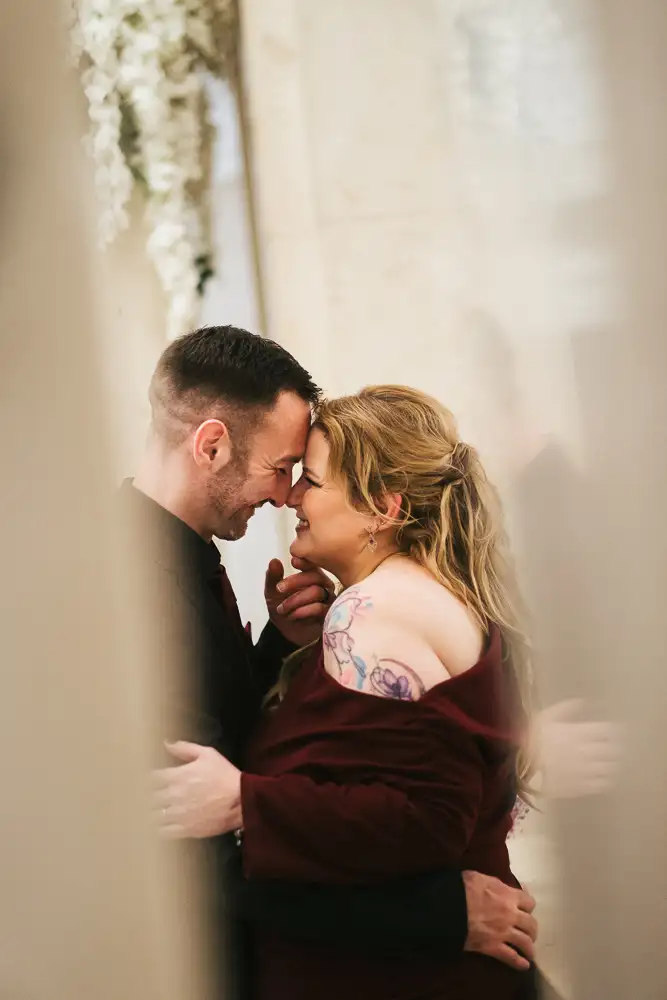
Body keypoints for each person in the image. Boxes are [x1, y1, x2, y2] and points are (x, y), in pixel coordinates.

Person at [156, 381, 540, 999]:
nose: (291, 497)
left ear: (382, 509)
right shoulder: (411, 598)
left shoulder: (371, 612)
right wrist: (284, 646)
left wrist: (246, 802)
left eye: (310, 479)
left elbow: (425, 820)